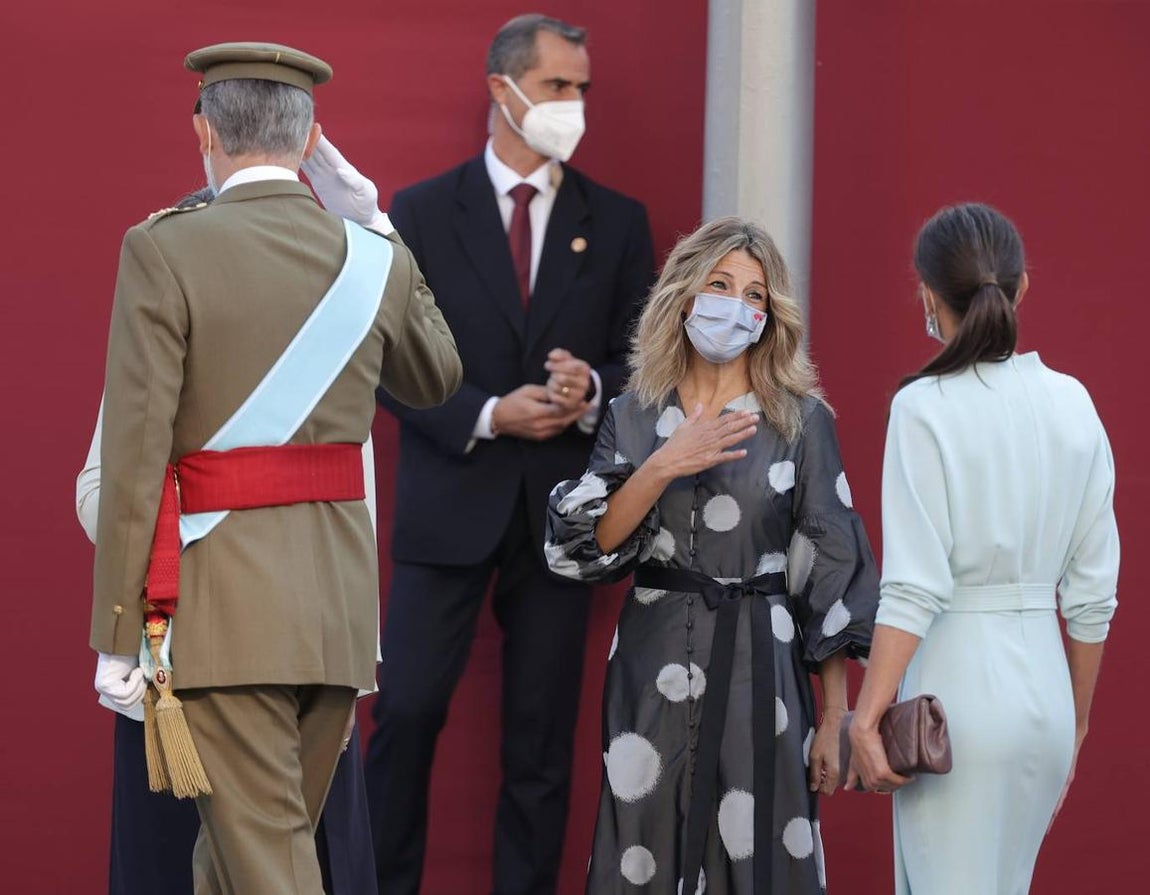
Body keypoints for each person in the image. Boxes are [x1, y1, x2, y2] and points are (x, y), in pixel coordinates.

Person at [89, 41, 461, 893]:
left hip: (222, 614)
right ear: (311, 140)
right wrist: (377, 223)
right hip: (336, 615)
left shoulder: (162, 249)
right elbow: (437, 376)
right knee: (234, 865)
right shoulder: (370, 255)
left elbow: (137, 450)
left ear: (205, 133)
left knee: (266, 868)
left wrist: (117, 628)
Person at [362, 13, 655, 895]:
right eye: (558, 85)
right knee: (405, 714)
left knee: (540, 743)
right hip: (448, 506)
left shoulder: (618, 221)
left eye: (581, 88)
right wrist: (489, 413)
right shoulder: (418, 212)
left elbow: (646, 367)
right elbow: (385, 361)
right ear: (503, 89)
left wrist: (588, 391)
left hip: (559, 519)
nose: (574, 104)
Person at [546, 217, 879, 894]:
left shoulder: (800, 421)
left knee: (760, 842)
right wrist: (663, 464)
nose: (737, 305)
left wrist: (833, 717)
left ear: (769, 316)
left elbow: (830, 570)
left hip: (764, 663)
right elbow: (588, 546)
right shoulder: (634, 414)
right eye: (721, 285)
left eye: (755, 294)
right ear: (685, 295)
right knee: (643, 840)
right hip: (651, 662)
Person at [846, 203, 1120, 894]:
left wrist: (867, 716)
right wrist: (1077, 722)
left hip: (956, 696)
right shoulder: (1075, 402)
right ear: (1022, 287)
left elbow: (913, 586)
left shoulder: (923, 407)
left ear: (928, 296)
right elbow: (1093, 596)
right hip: (1047, 698)